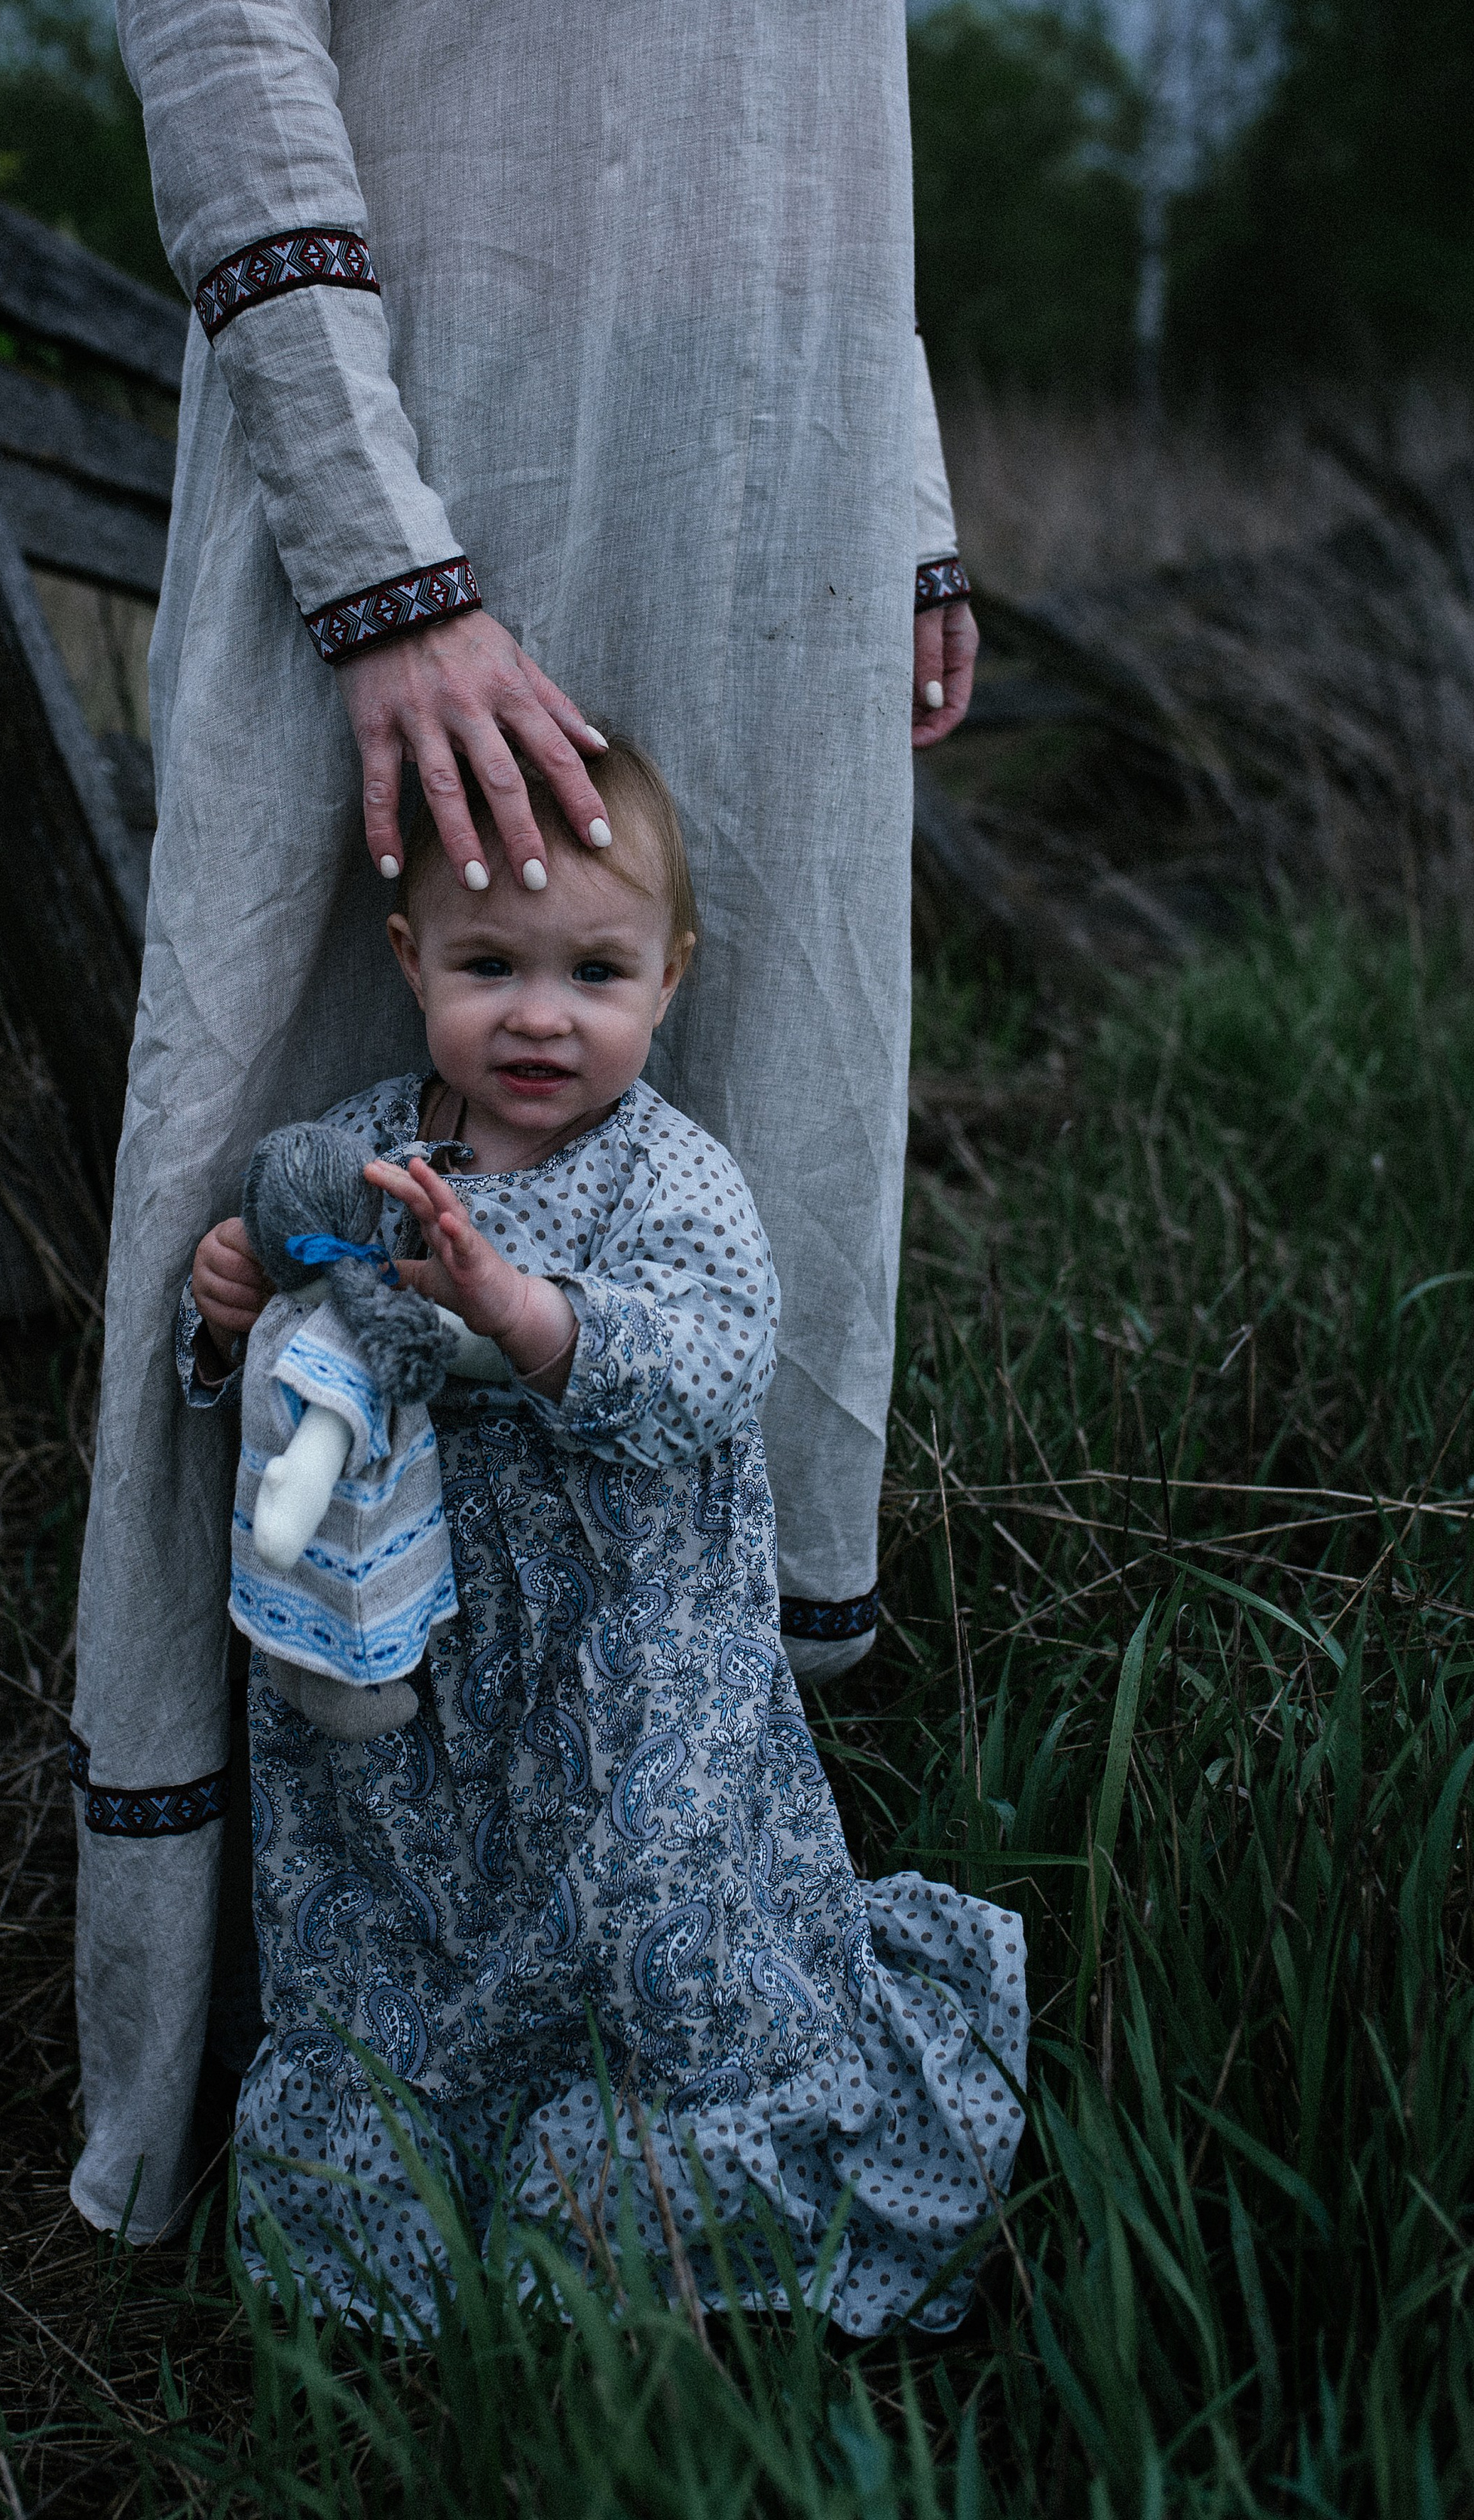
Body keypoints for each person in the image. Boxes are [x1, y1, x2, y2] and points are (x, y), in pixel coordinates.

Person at [71, 0, 987, 2243]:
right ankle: (277, 2069)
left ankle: (701, 2010)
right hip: (436, 471)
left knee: (754, 1161)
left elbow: (828, 71)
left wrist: (896, 479)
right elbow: (222, 0)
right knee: (308, 1199)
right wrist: (385, 567)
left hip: (766, 486)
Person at [177, 739, 1025, 2328]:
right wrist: (229, 1316)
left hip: (624, 1678)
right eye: (489, 965)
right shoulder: (363, 1151)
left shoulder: (668, 1177)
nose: (540, 1014)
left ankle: (664, 2225)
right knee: (388, 1949)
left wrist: (524, 1313)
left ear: (669, 977)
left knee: (663, 1950)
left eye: (595, 970)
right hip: (406, 1700)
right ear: (409, 958)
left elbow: (712, 1364)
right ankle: (403, 2231)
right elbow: (298, 1372)